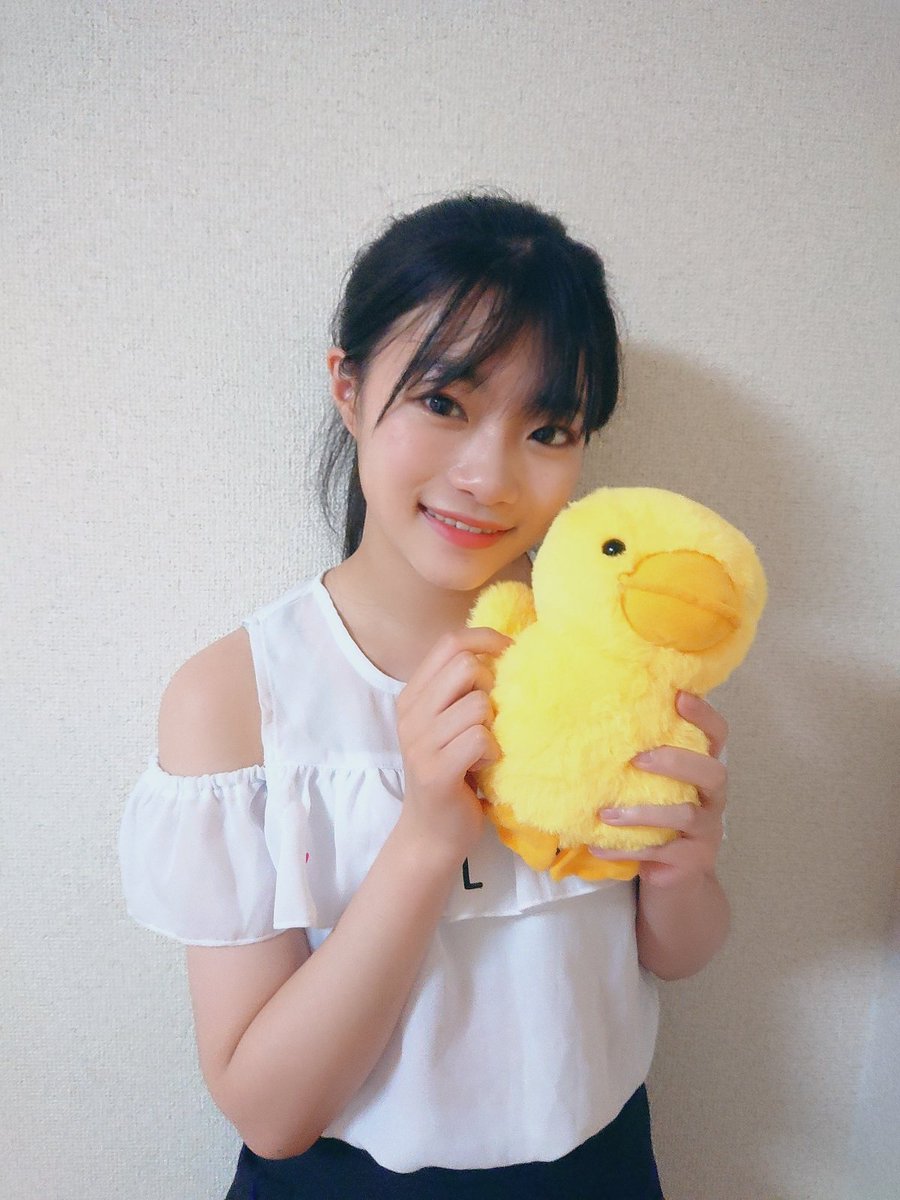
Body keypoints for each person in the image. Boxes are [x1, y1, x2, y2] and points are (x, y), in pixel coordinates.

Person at [119, 191, 731, 1199]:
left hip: (603, 1166)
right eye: (444, 403)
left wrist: (684, 872)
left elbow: (673, 956)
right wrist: (426, 838)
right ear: (349, 388)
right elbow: (270, 1115)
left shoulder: (614, 653)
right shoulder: (233, 697)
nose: (490, 476)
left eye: (550, 429)